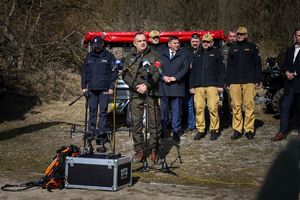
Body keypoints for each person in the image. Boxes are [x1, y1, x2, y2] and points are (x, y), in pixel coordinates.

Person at [122, 32, 161, 162]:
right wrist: (136, 86)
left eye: (144, 40)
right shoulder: (129, 57)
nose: (143, 42)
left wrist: (147, 85)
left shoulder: (154, 55)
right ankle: (139, 150)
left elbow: (157, 73)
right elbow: (125, 75)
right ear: (134, 43)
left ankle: (154, 148)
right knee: (136, 122)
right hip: (136, 92)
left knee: (154, 121)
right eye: (139, 41)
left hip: (151, 92)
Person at [81, 36, 118, 152]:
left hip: (104, 89)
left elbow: (114, 72)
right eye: (94, 46)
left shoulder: (109, 56)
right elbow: (84, 73)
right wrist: (83, 87)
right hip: (91, 89)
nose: (96, 48)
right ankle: (91, 132)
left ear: (102, 45)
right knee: (92, 110)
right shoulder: (89, 56)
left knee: (102, 111)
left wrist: (111, 86)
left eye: (98, 45)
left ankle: (101, 134)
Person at [227, 26, 262, 140]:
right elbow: (229, 66)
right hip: (235, 81)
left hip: (249, 80)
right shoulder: (232, 48)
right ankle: (237, 129)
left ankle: (249, 129)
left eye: (242, 34)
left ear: (246, 35)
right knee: (236, 106)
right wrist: (228, 81)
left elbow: (258, 64)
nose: (239, 36)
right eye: (238, 34)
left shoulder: (252, 47)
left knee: (249, 105)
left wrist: (257, 79)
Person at [189, 33, 225, 140]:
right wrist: (191, 86)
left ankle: (214, 129)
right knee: (199, 108)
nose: (205, 43)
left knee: (213, 108)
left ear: (212, 42)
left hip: (212, 86)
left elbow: (222, 71)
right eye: (204, 41)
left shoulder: (217, 53)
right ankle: (201, 130)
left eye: (208, 42)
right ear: (201, 42)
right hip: (198, 86)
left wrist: (220, 85)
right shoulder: (197, 54)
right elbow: (193, 72)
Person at [159, 36, 189, 143]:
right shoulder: (161, 54)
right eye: (174, 43)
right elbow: (157, 67)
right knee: (163, 111)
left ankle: (176, 131)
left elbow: (185, 68)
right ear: (169, 44)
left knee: (176, 111)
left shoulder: (184, 54)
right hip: (164, 87)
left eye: (178, 43)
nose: (176, 45)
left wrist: (175, 77)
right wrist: (163, 76)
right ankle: (163, 130)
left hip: (177, 86)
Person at [271, 28, 300, 141]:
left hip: (299, 82)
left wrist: (295, 73)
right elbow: (284, 64)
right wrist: (286, 72)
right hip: (289, 84)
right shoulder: (290, 50)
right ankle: (282, 132)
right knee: (285, 107)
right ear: (294, 37)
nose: (299, 37)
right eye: (298, 35)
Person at [219, 29, 237, 127]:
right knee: (226, 100)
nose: (232, 38)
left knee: (236, 101)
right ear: (227, 37)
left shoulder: (240, 47)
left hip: (236, 79)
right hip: (225, 79)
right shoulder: (223, 49)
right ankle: (227, 119)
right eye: (230, 36)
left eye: (234, 36)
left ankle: (237, 120)